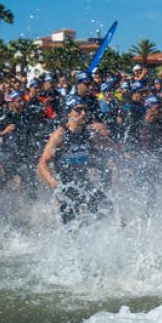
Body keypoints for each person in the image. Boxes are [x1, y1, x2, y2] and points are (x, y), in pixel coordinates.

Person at [37, 94, 112, 225]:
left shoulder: (87, 133)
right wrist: (52, 182)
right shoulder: (60, 135)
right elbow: (42, 163)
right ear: (69, 112)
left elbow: (93, 156)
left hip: (84, 184)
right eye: (78, 110)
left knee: (107, 209)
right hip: (66, 188)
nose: (83, 113)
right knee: (72, 228)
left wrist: (105, 143)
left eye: (85, 110)